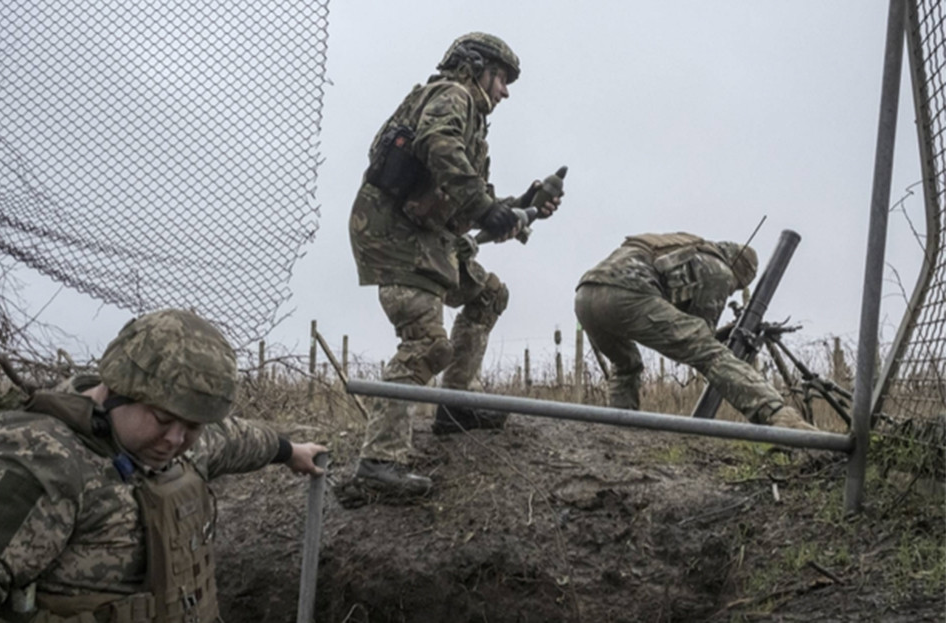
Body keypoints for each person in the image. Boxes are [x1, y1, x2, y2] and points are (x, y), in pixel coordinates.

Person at [0, 309, 328, 622]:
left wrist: (290, 451)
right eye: (162, 420)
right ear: (116, 393)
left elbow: (236, 440)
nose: (176, 440)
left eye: (193, 426)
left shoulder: (180, 443)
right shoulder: (42, 458)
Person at [344, 32, 561, 502]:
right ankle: (379, 462)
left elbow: (461, 210)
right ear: (474, 66)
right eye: (501, 77)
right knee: (426, 345)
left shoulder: (471, 121)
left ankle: (456, 407)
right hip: (396, 237)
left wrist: (518, 207)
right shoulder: (452, 96)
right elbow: (438, 145)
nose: (504, 90)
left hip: (430, 238)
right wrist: (485, 208)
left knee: (488, 295)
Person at [574, 232, 817, 431]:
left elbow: (687, 326)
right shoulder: (720, 270)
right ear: (739, 271)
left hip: (586, 296)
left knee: (626, 364)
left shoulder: (686, 248)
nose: (731, 292)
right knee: (711, 355)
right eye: (736, 287)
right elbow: (703, 340)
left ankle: (619, 431)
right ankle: (778, 414)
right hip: (629, 294)